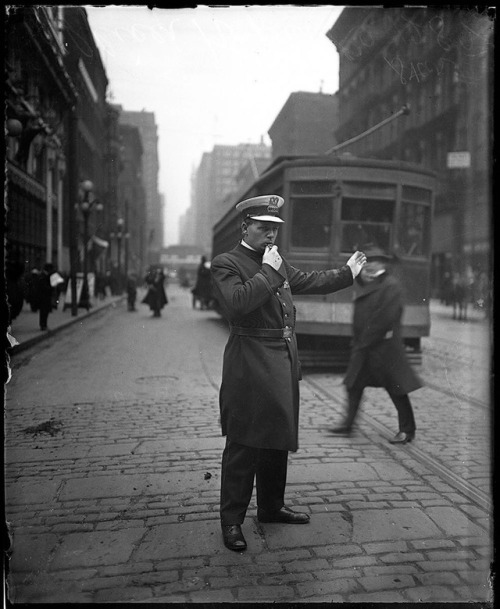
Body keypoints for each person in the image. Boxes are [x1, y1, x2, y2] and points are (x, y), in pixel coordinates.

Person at [210, 194, 366, 552]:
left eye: (274, 229)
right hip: (249, 362)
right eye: (264, 228)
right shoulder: (226, 263)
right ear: (245, 226)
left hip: (280, 360)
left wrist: (346, 273)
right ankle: (231, 520)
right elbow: (237, 304)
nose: (270, 236)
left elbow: (309, 281)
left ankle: (270, 506)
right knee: (244, 442)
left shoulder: (275, 261)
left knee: (276, 437)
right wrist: (268, 270)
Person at [328, 246, 422, 445]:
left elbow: (384, 318)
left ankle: (407, 430)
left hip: (384, 349)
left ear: (383, 263)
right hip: (366, 348)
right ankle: (348, 424)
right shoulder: (368, 281)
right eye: (367, 261)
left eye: (374, 261)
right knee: (354, 385)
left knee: (397, 389)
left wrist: (363, 342)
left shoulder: (391, 285)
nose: (370, 264)